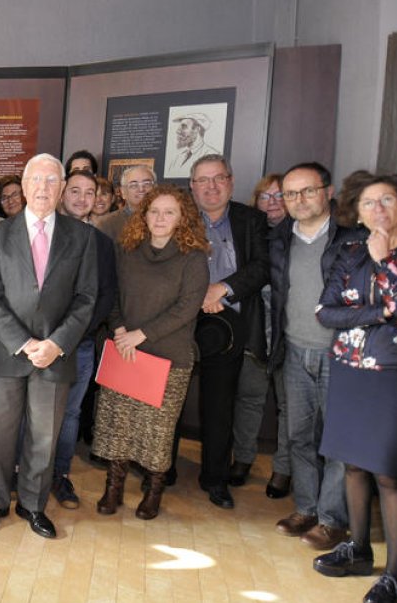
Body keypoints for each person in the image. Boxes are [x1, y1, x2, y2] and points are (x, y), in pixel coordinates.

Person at [312, 171, 397, 603]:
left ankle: (395, 574)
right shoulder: (349, 250)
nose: (377, 210)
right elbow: (326, 312)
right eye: (368, 203)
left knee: (390, 473)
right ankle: (358, 550)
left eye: (387, 201)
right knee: (352, 462)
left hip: (396, 373)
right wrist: (384, 312)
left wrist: (387, 265)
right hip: (349, 368)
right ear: (356, 212)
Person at [0, 154, 97, 536]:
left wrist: (56, 344)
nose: (42, 188)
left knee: (44, 436)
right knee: (1, 434)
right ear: (24, 187)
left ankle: (33, 504)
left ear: (61, 188)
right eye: (35, 180)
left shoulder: (83, 237)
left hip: (55, 356)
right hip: (9, 353)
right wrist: (25, 342)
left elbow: (87, 298)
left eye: (50, 180)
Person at [92, 185, 209, 520]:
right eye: (154, 211)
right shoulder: (127, 249)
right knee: (118, 426)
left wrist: (141, 335)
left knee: (156, 433)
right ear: (143, 214)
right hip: (124, 352)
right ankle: (112, 488)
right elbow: (112, 294)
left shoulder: (194, 257)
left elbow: (187, 308)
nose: (160, 218)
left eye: (169, 212)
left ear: (182, 217)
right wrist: (118, 330)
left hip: (168, 358)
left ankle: (153, 491)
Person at [268, 162, 353, 551]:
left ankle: (333, 520)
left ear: (328, 192)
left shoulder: (352, 239)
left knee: (336, 440)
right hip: (294, 351)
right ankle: (306, 508)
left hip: (338, 354)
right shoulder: (279, 239)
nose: (298, 200)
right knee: (299, 436)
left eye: (308, 191)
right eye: (290, 193)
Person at [188, 154, 270, 509]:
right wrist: (196, 297)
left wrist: (222, 289)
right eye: (202, 180)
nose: (211, 186)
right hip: (183, 320)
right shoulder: (181, 218)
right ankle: (160, 471)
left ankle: (215, 478)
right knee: (169, 399)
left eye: (218, 178)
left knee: (219, 405)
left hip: (231, 323)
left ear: (231, 182)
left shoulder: (251, 220)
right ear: (192, 186)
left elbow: (263, 267)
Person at [51, 170, 117, 510]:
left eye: (88, 193)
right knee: (31, 409)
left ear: (97, 200)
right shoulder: (45, 233)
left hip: (81, 344)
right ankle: (23, 469)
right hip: (41, 340)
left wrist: (74, 333)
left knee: (70, 413)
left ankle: (60, 475)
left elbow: (105, 295)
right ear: (62, 193)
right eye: (74, 191)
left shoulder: (103, 243)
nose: (80, 198)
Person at [229, 174, 290, 491]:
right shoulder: (249, 234)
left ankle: (283, 470)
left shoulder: (298, 237)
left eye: (279, 196)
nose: (272, 202)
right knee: (250, 399)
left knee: (289, 407)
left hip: (290, 337)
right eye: (265, 196)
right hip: (255, 332)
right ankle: (243, 459)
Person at [94, 165, 156, 242]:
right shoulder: (107, 224)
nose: (141, 189)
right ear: (123, 192)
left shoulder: (166, 220)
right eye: (133, 185)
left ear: (155, 187)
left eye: (147, 183)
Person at [164, 113, 221, 179]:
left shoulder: (212, 155)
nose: (177, 131)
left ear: (197, 129)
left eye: (184, 127)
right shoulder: (178, 157)